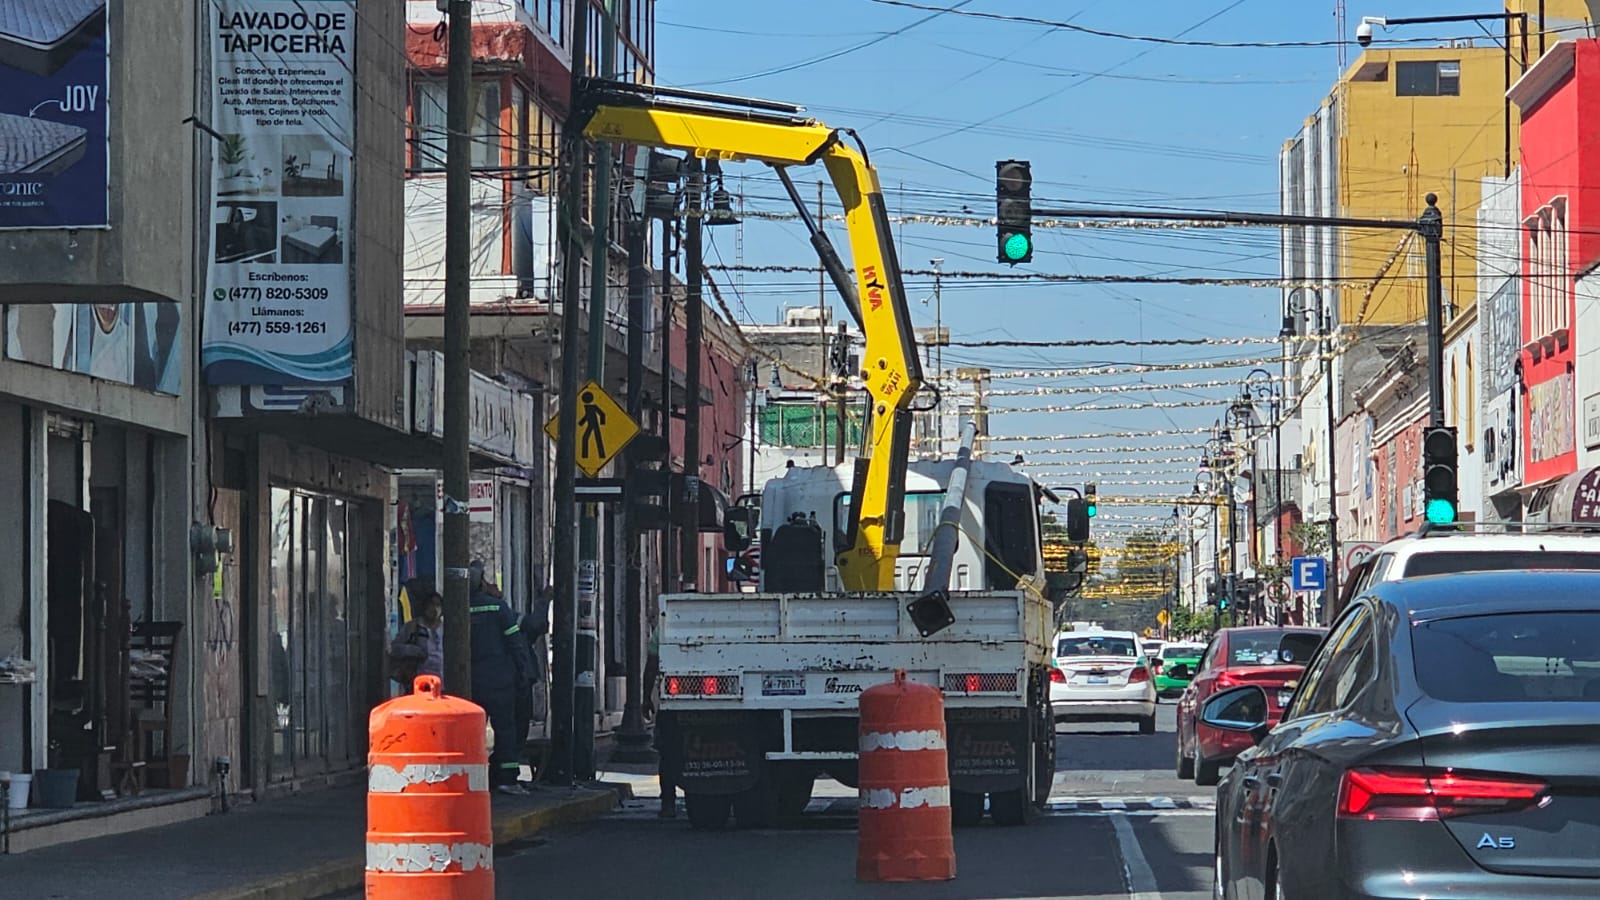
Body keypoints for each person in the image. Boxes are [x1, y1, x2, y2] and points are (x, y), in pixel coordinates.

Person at [468, 561, 535, 794]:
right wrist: (523, 672)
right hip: (500, 680)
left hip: (470, 681)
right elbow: (516, 643)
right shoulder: (498, 608)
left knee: (470, 732)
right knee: (506, 729)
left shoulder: (456, 610)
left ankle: (471, 776)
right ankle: (507, 778)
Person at [389, 588, 443, 692]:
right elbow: (394, 649)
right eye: (431, 604)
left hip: (441, 684)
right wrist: (412, 650)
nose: (434, 608)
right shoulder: (413, 627)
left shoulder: (446, 629)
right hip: (418, 683)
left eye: (437, 605)